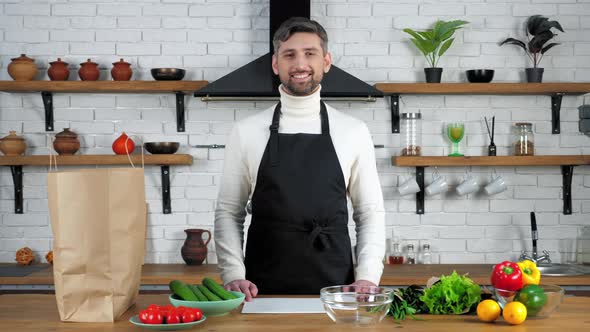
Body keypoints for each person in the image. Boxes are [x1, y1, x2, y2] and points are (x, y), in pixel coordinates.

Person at [214, 17, 385, 301]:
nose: (300, 64)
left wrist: (367, 275)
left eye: (310, 53)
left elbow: (369, 213)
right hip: (260, 291)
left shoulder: (353, 131)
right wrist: (233, 274)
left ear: (326, 61)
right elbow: (228, 212)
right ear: (275, 64)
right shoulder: (245, 131)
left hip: (337, 290)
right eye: (289, 54)